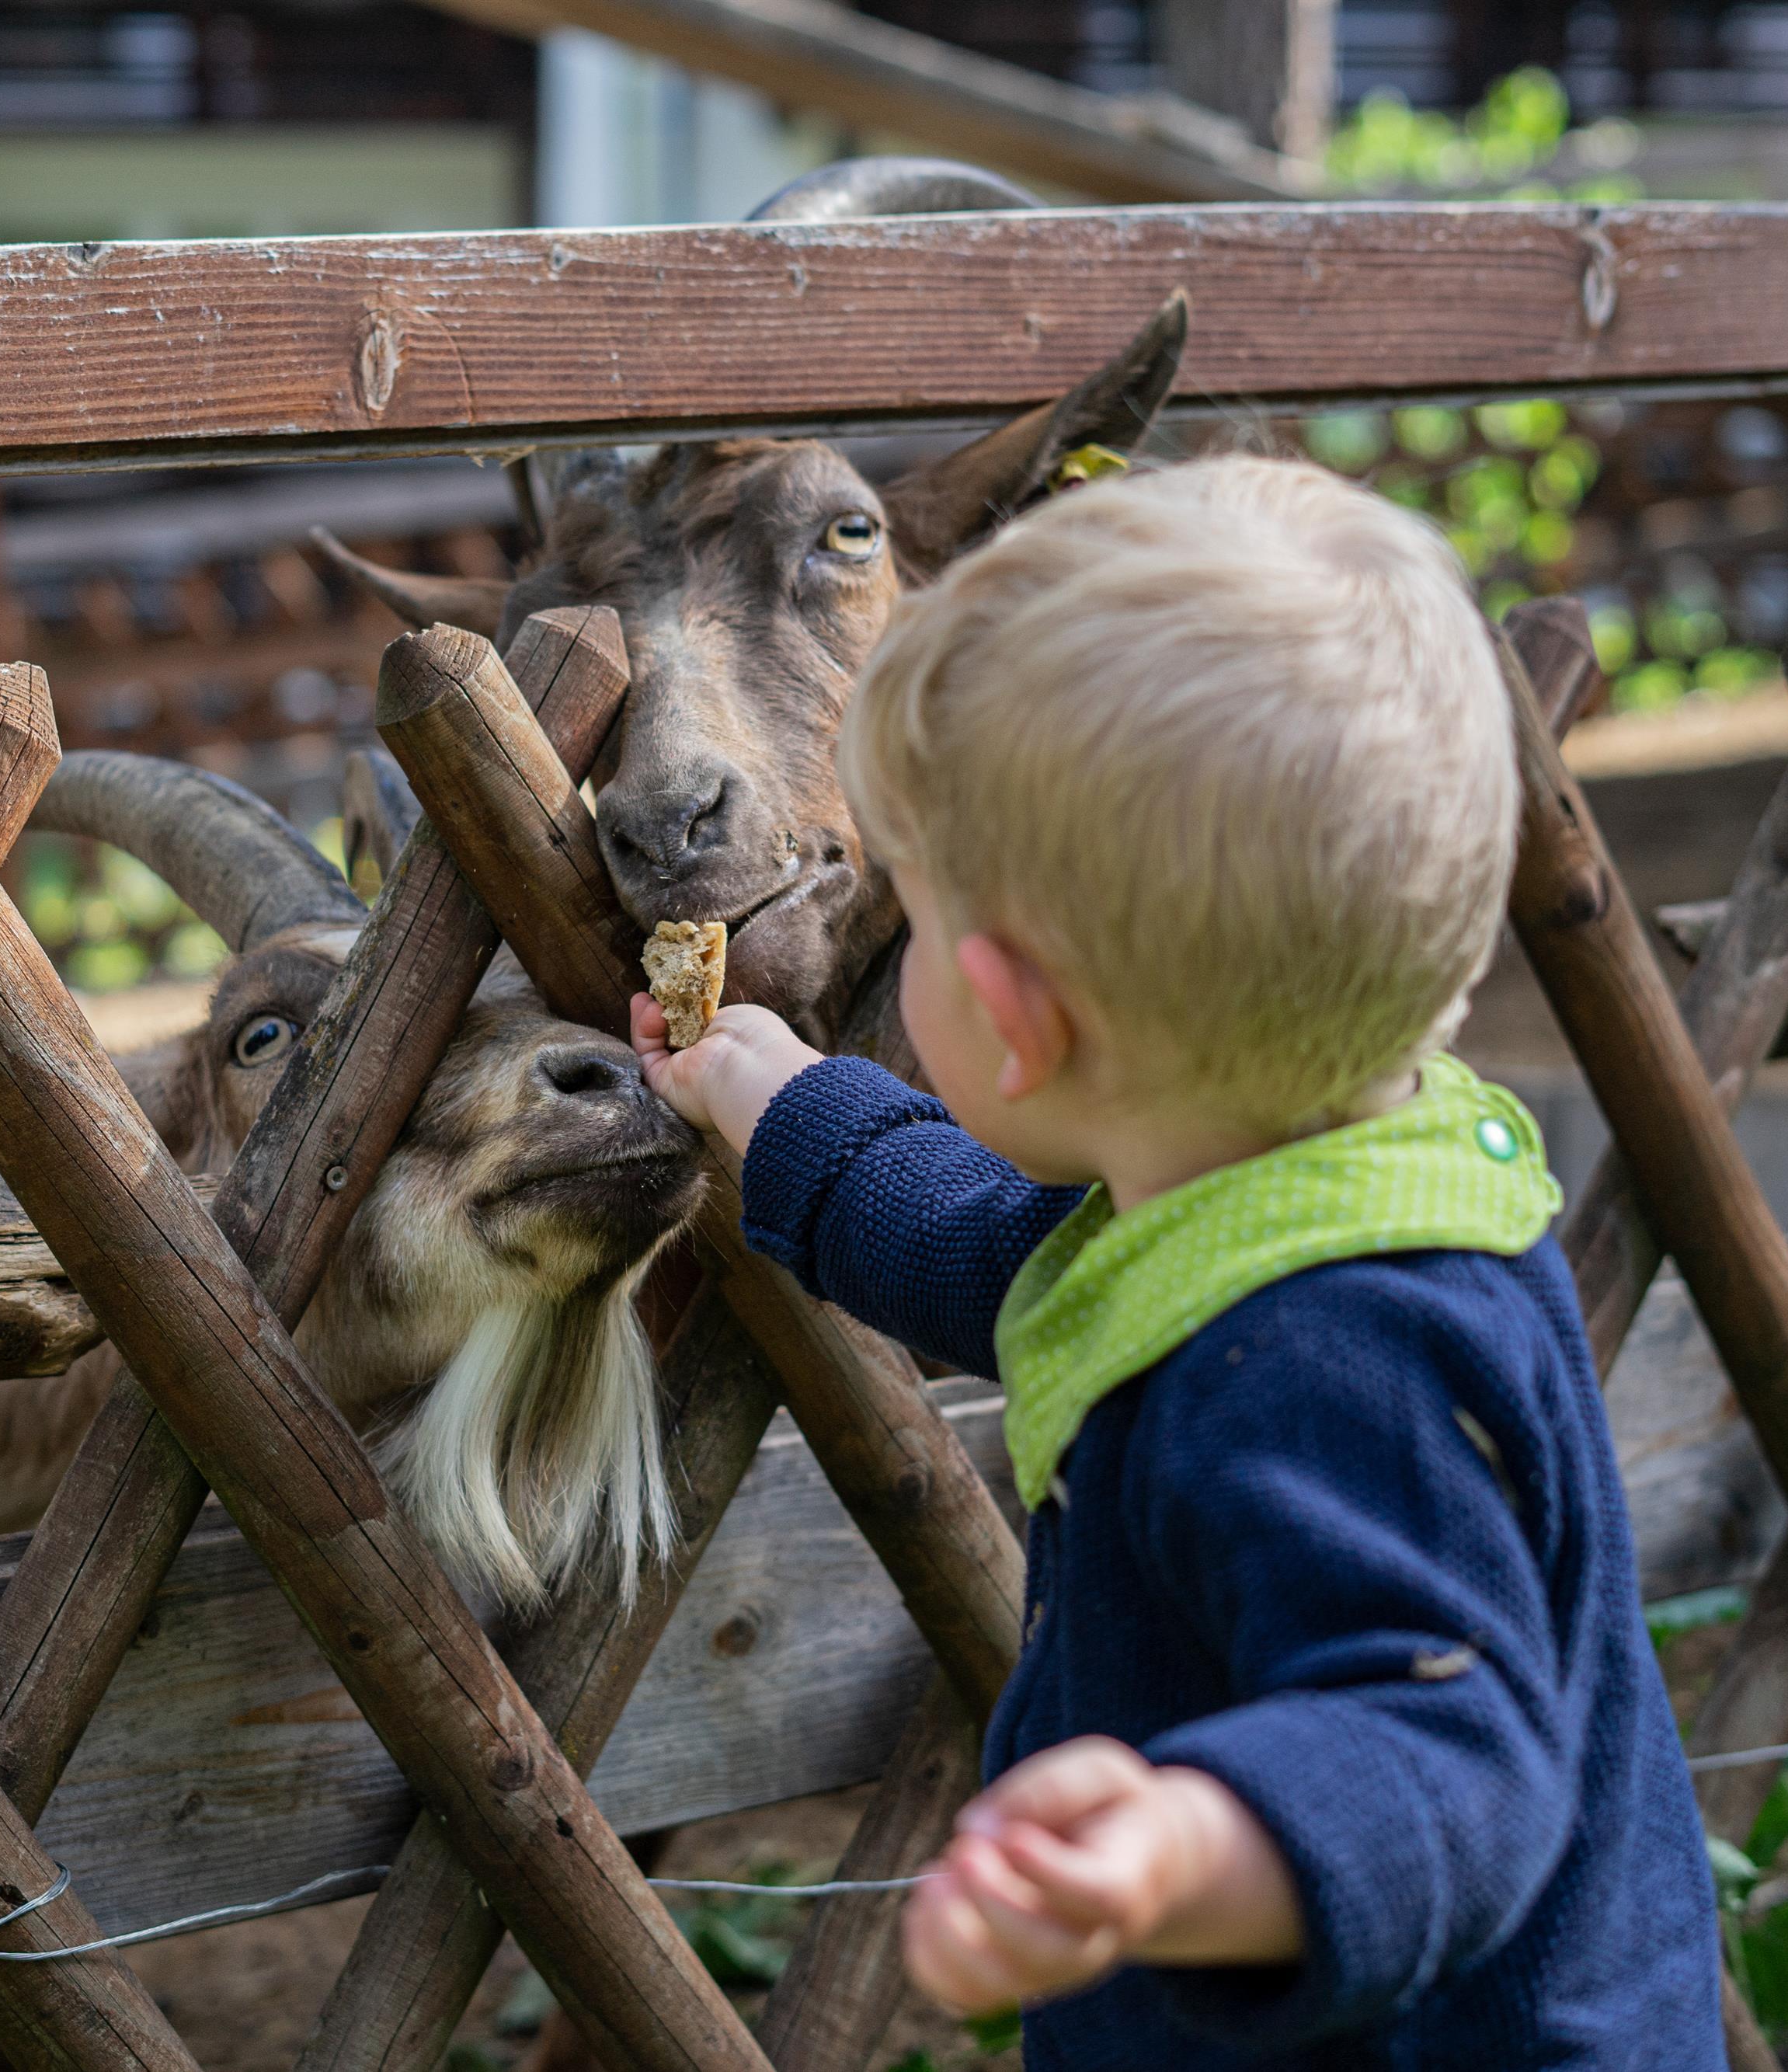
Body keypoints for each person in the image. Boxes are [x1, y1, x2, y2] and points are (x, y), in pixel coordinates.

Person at [631, 455, 1720, 2067]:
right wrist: (769, 1093)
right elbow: (1014, 1259)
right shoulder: (1326, 1180)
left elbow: (1440, 1737)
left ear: (1008, 1014)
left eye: (922, 922)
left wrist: (1186, 1843)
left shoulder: (1329, 1358)